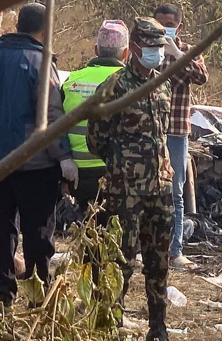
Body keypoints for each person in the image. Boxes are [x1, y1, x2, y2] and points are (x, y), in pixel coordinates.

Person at [87, 17, 176, 341]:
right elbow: (97, 138)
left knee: (159, 262)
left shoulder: (163, 83)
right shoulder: (115, 86)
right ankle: (112, 330)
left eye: (160, 47)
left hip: (160, 187)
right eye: (151, 47)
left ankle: (158, 331)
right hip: (126, 191)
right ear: (135, 48)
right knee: (121, 261)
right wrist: (121, 165)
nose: (157, 54)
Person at [0, 3, 78, 308]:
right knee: (38, 233)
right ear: (45, 29)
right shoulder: (40, 61)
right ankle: (38, 295)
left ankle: (3, 297)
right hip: (34, 165)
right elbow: (51, 114)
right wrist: (65, 158)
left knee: (2, 232)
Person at [154, 3, 208, 269]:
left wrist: (176, 53)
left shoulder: (188, 51)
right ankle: (148, 248)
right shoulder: (145, 51)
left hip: (175, 131)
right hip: (149, 130)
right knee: (147, 189)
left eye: (169, 23)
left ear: (179, 26)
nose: (164, 28)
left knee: (175, 190)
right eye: (160, 23)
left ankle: (175, 251)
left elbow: (201, 76)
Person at [62, 20, 129, 211]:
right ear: (126, 53)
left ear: (96, 49)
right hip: (114, 172)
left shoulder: (71, 80)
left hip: (75, 172)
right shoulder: (129, 83)